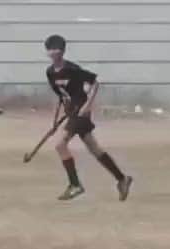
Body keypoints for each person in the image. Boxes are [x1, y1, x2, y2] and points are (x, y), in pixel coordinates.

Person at [44, 34, 133, 202]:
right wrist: (55, 121)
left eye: (57, 49)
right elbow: (60, 97)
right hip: (71, 112)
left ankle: (75, 185)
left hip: (81, 112)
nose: (54, 52)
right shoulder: (50, 73)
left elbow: (95, 82)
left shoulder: (73, 69)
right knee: (94, 148)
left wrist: (88, 106)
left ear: (62, 51)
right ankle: (122, 179)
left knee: (60, 145)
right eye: (50, 49)